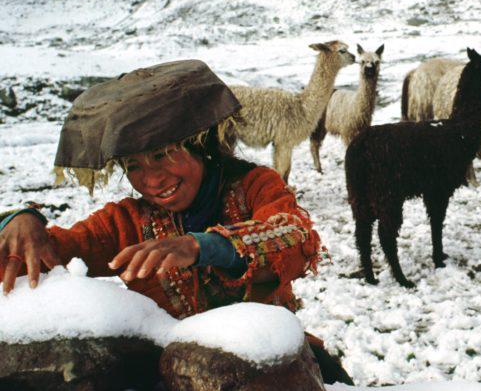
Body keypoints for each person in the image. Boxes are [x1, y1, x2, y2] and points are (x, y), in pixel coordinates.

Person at [0, 59, 352, 385]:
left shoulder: (254, 186)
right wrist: (21, 221)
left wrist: (201, 246)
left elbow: (292, 234)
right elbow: (58, 248)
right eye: (134, 166)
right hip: (176, 377)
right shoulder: (127, 221)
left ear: (199, 145)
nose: (151, 179)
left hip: (269, 367)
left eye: (162, 155)